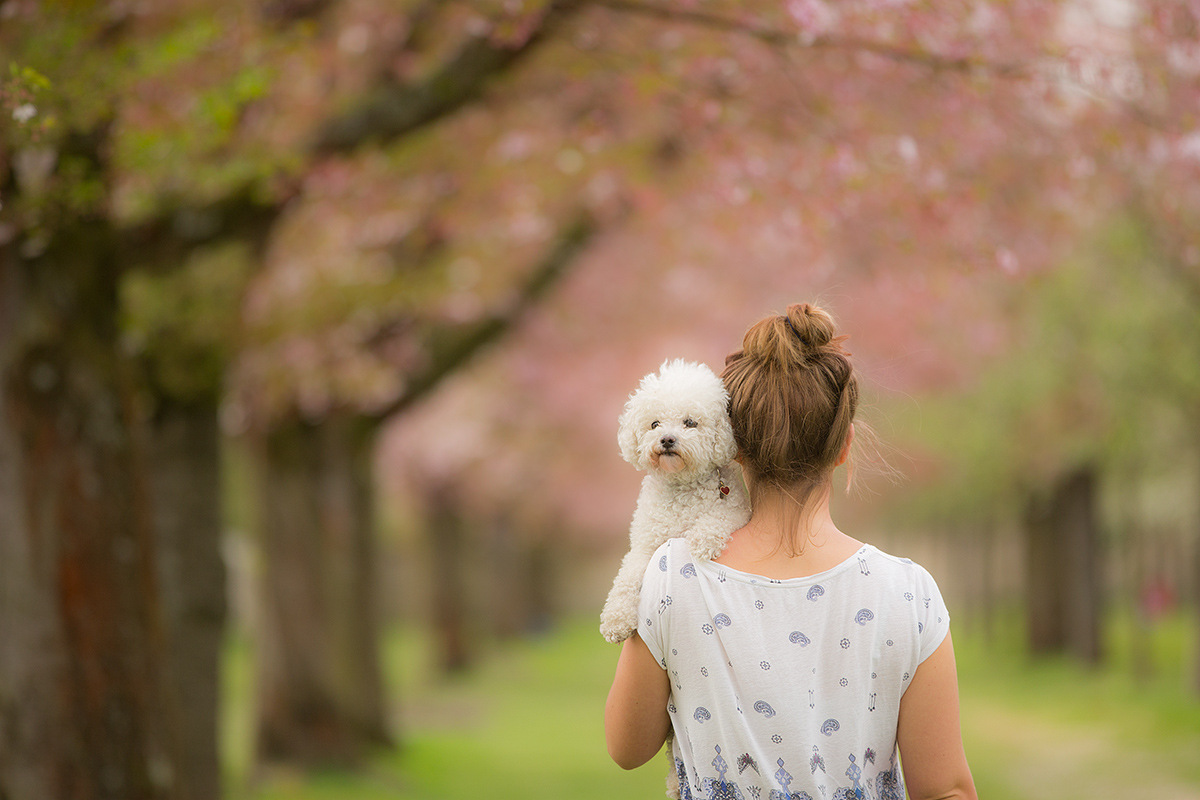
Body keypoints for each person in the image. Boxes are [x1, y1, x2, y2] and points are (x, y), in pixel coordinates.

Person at [605, 303, 977, 800]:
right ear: (843, 446)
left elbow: (627, 747)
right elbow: (946, 788)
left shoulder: (673, 576)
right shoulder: (909, 595)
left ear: (734, 445)